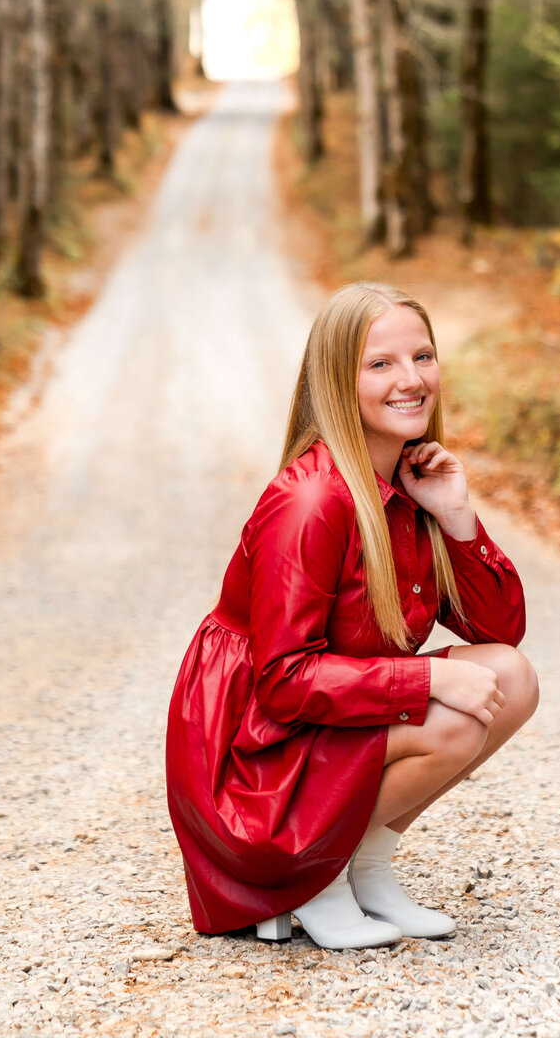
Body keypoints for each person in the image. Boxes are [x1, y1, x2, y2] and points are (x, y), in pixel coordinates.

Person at [165, 281, 538, 950]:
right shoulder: (311, 503)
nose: (412, 379)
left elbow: (499, 632)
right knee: (454, 719)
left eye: (423, 357)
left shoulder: (408, 486)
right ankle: (307, 878)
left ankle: (362, 867)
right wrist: (427, 682)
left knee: (510, 677)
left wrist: (456, 517)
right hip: (253, 765)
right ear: (338, 380)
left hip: (320, 732)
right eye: (381, 364)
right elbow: (281, 681)